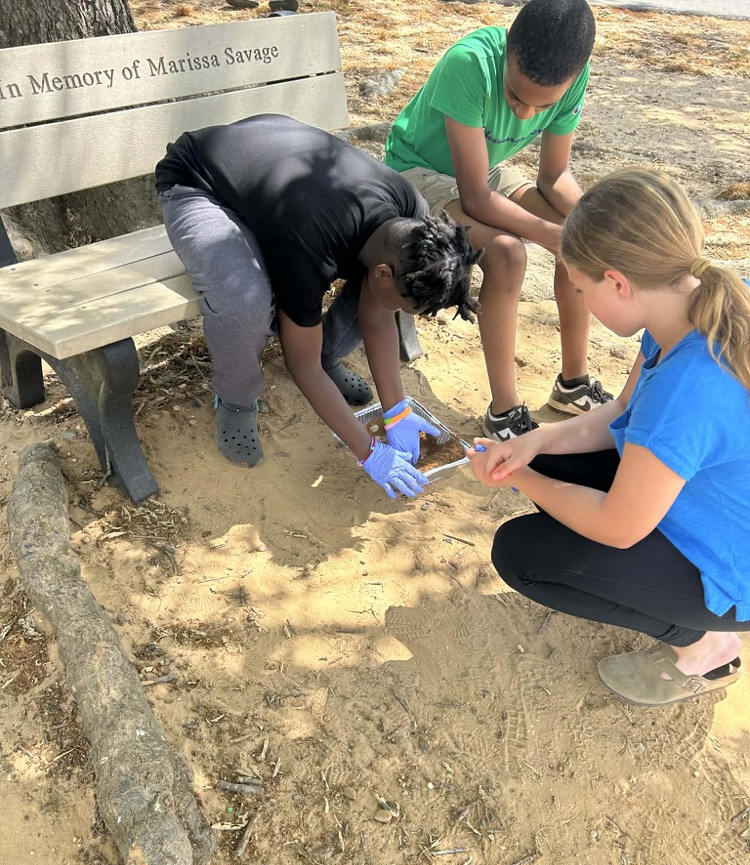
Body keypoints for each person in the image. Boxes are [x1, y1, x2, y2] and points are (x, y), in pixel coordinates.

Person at [468, 167, 750, 707]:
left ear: (618, 282)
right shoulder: (691, 303)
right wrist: (536, 443)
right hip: (718, 503)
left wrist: (520, 478)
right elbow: (622, 409)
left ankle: (705, 643)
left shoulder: (686, 391)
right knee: (555, 464)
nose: (579, 299)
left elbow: (618, 527)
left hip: (735, 568)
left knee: (521, 553)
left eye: (579, 287)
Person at [155, 113, 481, 498]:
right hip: (199, 180)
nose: (401, 315)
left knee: (367, 296)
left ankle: (331, 355)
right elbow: (301, 364)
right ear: (383, 271)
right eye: (406, 307)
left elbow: (378, 313)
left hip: (274, 164)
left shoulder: (411, 219)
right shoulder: (308, 243)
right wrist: (368, 451)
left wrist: (398, 411)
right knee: (244, 300)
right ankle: (237, 399)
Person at [384, 0, 613, 442]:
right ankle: (504, 411)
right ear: (508, 51)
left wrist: (592, 222)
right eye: (515, 97)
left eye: (541, 105)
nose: (526, 114)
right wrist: (550, 233)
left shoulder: (572, 75)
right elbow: (475, 196)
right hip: (417, 172)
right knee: (508, 254)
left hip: (481, 167)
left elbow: (555, 175)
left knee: (582, 239)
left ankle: (572, 383)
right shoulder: (468, 63)